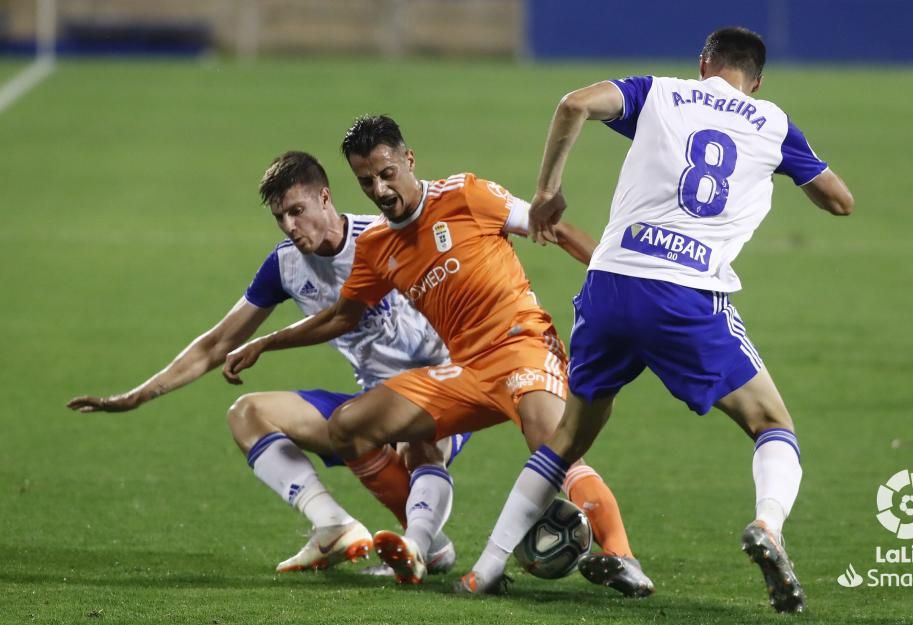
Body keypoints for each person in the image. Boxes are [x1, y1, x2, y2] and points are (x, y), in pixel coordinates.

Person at [462, 26, 854, 611]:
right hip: (687, 297)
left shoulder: (661, 92)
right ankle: (768, 527)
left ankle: (485, 568)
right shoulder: (773, 123)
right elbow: (839, 199)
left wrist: (547, 191)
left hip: (610, 284)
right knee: (773, 424)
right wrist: (790, 167)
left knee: (568, 437)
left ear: (704, 64)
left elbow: (573, 104)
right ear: (757, 80)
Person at [223, 114, 652, 594]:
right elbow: (342, 316)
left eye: (388, 173)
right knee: (348, 426)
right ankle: (422, 539)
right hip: (464, 370)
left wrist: (622, 286)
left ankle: (621, 556)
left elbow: (553, 228)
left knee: (552, 443)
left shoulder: (465, 194)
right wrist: (265, 342)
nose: (381, 189)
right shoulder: (378, 246)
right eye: (367, 182)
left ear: (409, 160)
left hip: (520, 345)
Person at [67, 151, 470, 576]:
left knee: (416, 440)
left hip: (440, 389)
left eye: (297, 211)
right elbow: (216, 343)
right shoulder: (286, 265)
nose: (291, 227)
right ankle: (334, 525)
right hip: (371, 408)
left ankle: (425, 544)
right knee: (248, 414)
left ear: (325, 198)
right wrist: (137, 396)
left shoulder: (385, 236)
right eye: (281, 217)